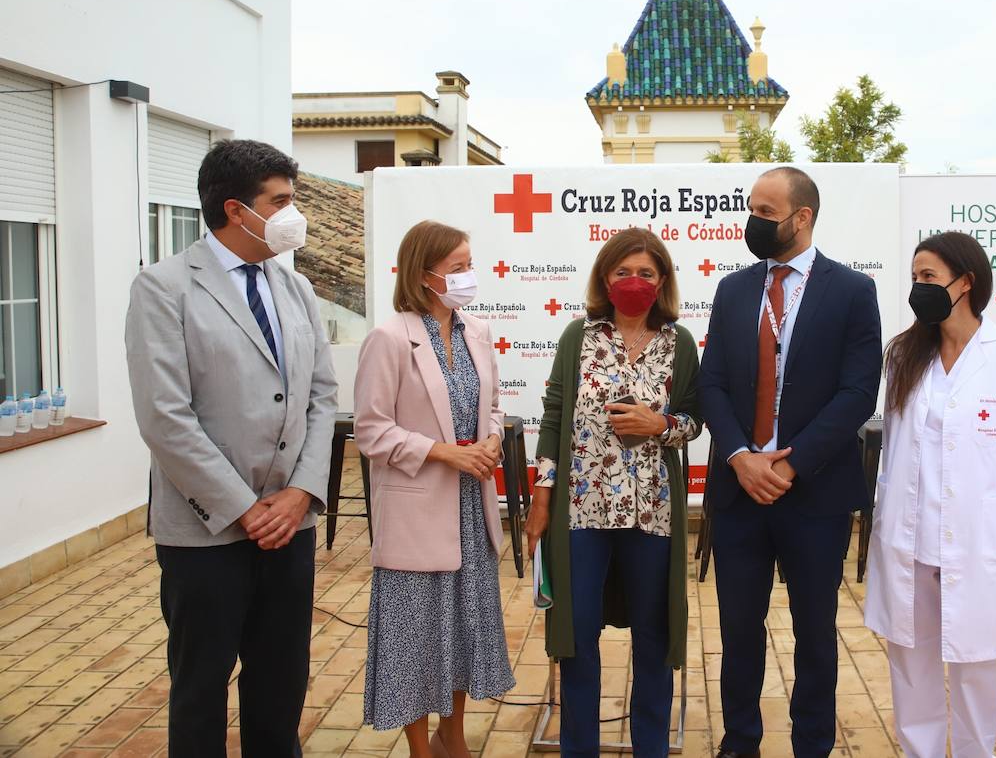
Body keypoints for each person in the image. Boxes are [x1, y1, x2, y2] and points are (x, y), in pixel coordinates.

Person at [125, 139, 338, 756]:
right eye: (282, 201)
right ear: (235, 209)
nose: (293, 214)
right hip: (208, 533)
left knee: (279, 688)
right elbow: (166, 418)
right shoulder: (163, 289)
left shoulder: (294, 288)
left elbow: (322, 397)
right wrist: (245, 508)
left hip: (289, 527)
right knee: (200, 691)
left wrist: (301, 492)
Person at [698, 167, 882, 758]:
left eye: (766, 211)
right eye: (751, 208)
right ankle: (740, 741)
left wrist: (790, 464)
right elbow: (714, 384)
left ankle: (812, 745)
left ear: (802, 218)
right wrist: (740, 458)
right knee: (738, 630)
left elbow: (858, 392)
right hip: (739, 492)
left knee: (815, 634)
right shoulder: (733, 290)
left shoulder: (852, 291)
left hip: (815, 494)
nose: (753, 221)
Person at [526, 228, 701, 758]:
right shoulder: (578, 337)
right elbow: (554, 416)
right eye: (623, 272)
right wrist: (543, 492)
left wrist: (659, 424)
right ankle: (579, 749)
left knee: (653, 637)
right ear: (606, 278)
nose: (634, 281)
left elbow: (694, 421)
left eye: (646, 273)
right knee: (577, 639)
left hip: (652, 512)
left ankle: (652, 748)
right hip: (583, 508)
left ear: (662, 281)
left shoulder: (680, 342)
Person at [864, 232, 996, 757]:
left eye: (929, 278)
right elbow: (895, 440)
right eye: (915, 278)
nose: (919, 288)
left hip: (974, 535)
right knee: (912, 667)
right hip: (909, 536)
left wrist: (968, 485)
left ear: (966, 282)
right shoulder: (903, 354)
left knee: (978, 665)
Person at [354, 220, 513, 758]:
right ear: (425, 276)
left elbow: (489, 409)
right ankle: (422, 747)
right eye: (458, 268)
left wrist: (490, 441)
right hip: (419, 509)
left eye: (471, 264)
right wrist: (444, 452)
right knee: (416, 639)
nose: (469, 276)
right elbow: (371, 430)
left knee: (465, 630)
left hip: (472, 508)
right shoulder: (389, 338)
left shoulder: (478, 333)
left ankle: (453, 734)